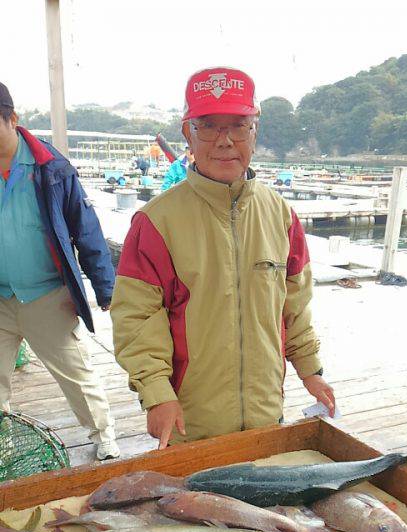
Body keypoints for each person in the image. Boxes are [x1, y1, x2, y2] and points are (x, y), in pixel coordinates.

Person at [111, 67, 335, 449]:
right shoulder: (156, 222)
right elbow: (136, 316)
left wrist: (311, 371)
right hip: (191, 422)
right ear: (188, 134)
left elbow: (294, 305)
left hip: (267, 414)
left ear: (255, 131)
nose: (225, 140)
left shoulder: (281, 215)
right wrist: (156, 392)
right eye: (209, 127)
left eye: (238, 126)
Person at [0, 82, 120, 460]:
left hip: (46, 295)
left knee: (75, 375)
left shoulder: (52, 168)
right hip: (0, 298)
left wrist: (105, 288)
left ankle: (105, 438)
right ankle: (3, 444)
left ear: (13, 120)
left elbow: (86, 229)